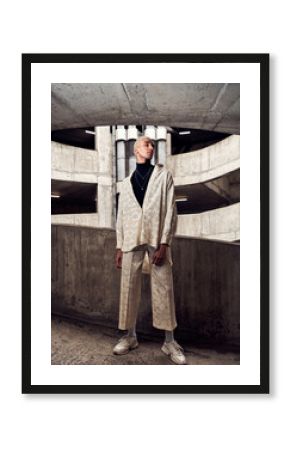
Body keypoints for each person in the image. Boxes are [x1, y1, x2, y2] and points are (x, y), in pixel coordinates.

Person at [113, 136, 186, 365]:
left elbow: (171, 211)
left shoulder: (164, 177)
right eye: (146, 144)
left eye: (153, 145)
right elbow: (121, 217)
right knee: (128, 286)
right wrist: (119, 245)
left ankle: (170, 341)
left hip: (156, 237)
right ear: (136, 150)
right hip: (131, 240)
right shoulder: (125, 184)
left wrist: (165, 243)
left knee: (164, 288)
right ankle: (129, 336)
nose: (151, 147)